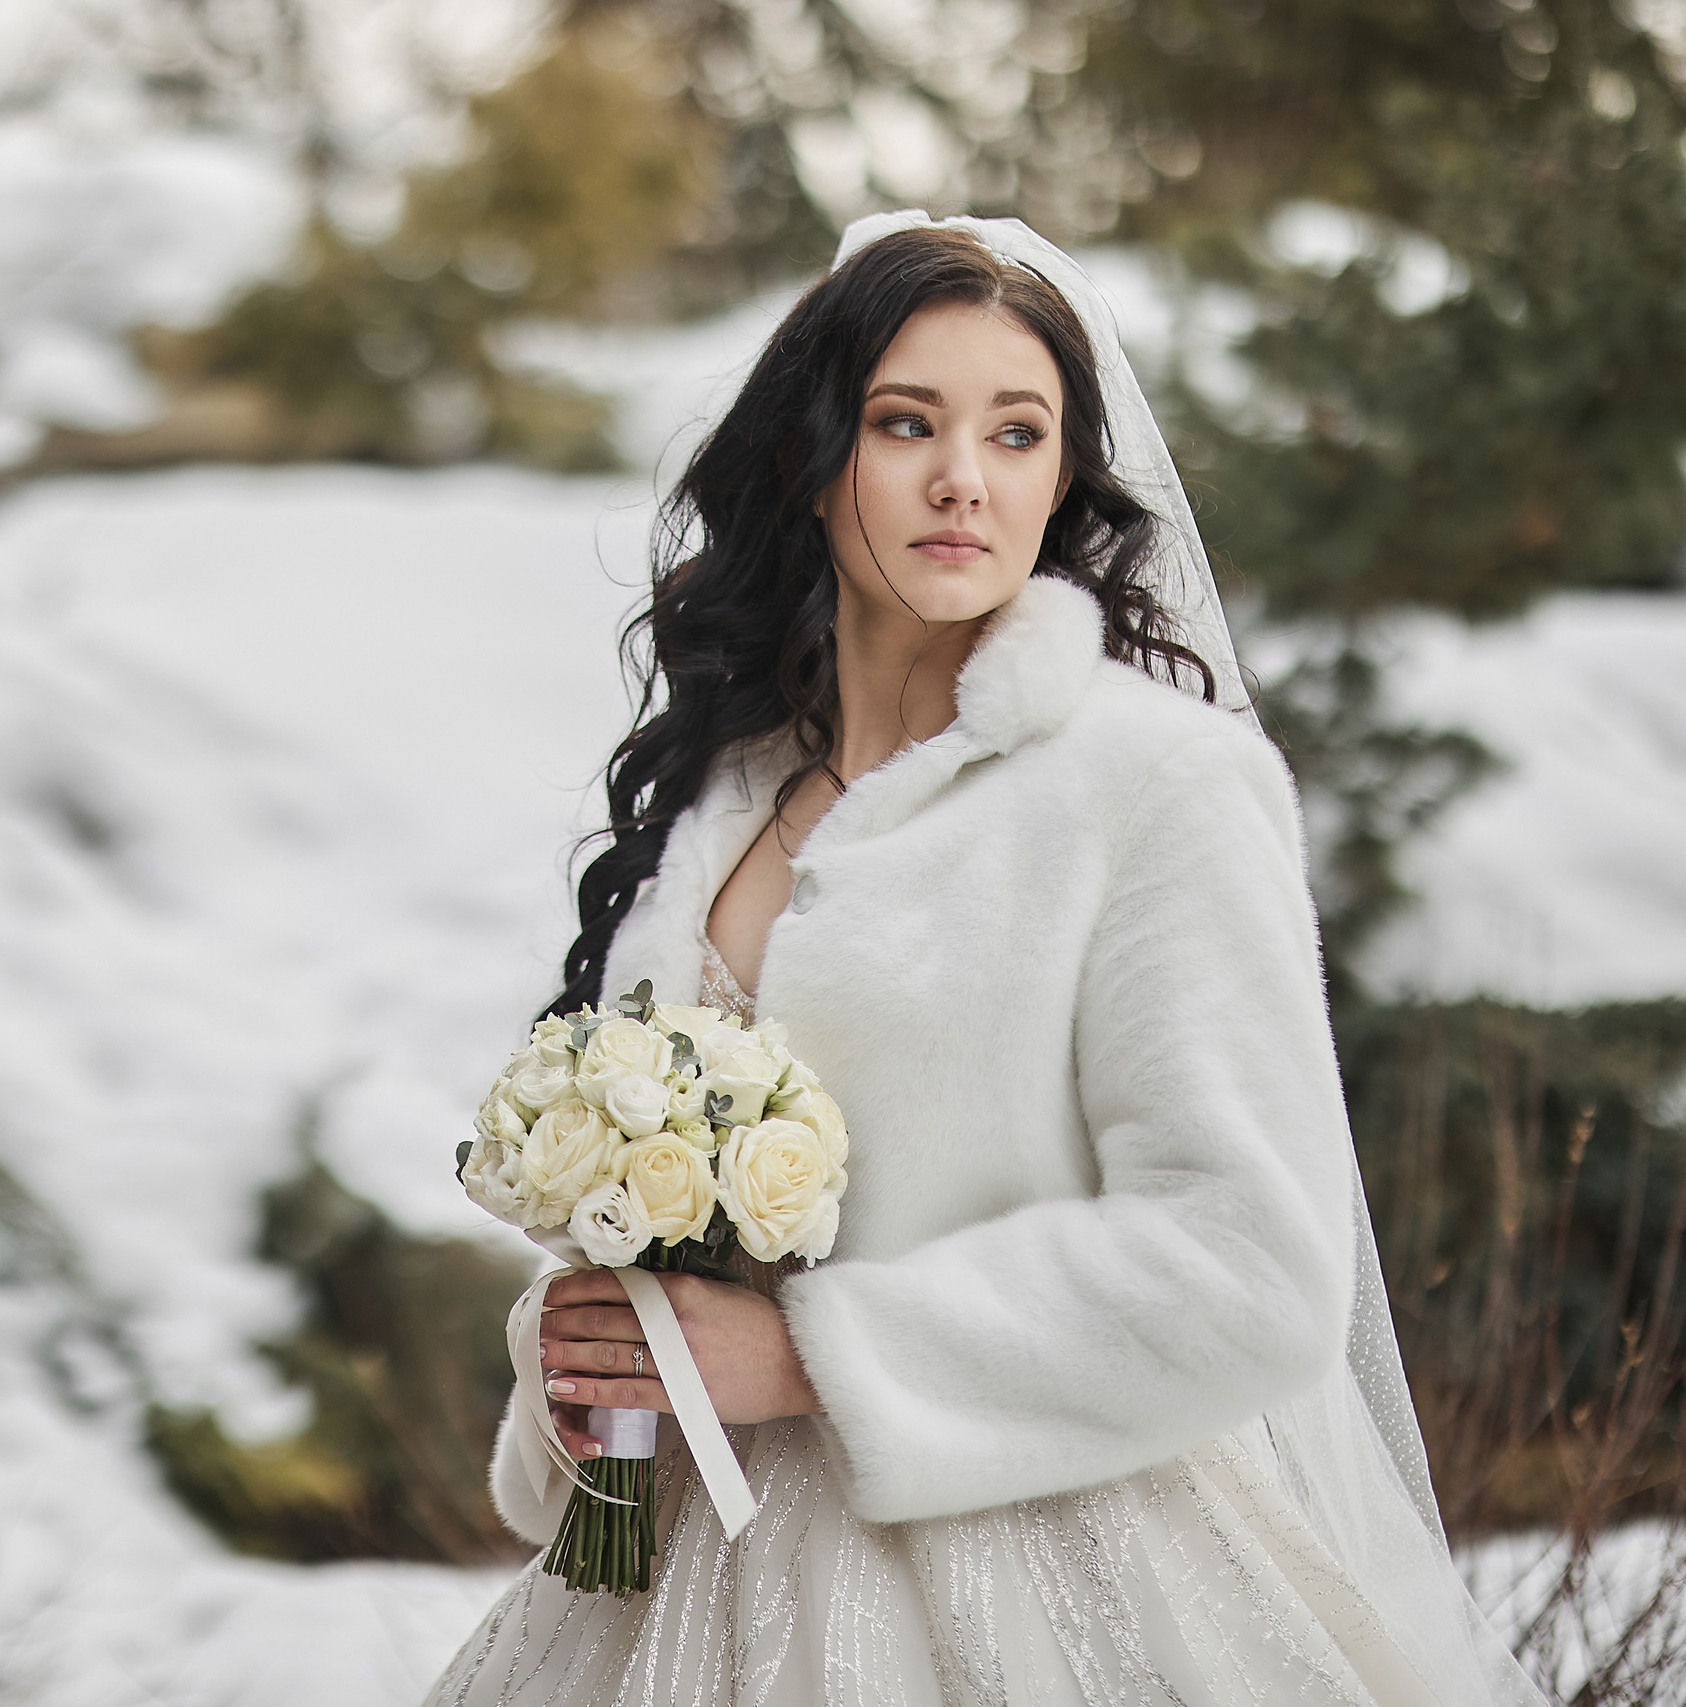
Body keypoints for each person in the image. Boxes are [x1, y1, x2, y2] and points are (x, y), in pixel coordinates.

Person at [423, 214, 1547, 1707]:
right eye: (908, 424)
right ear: (812, 459)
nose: (965, 478)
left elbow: (1252, 1264)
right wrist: (591, 1354)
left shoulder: (1152, 789)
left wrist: (817, 1358)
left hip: (1051, 1588)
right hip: (681, 1587)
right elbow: (659, 1231)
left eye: (1019, 434)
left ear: (1065, 477)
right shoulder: (725, 798)